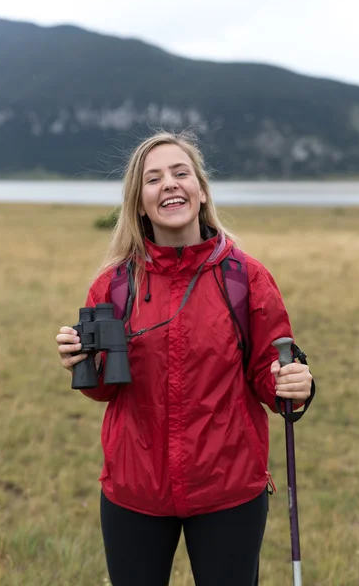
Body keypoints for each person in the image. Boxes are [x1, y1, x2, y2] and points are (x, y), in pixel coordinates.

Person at [56, 131, 313, 586]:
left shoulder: (246, 278)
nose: (169, 184)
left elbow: (268, 376)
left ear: (201, 190)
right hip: (134, 490)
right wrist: (82, 363)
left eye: (181, 173)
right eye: (153, 179)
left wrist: (293, 385)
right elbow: (104, 390)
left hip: (228, 489)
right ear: (138, 202)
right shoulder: (114, 285)